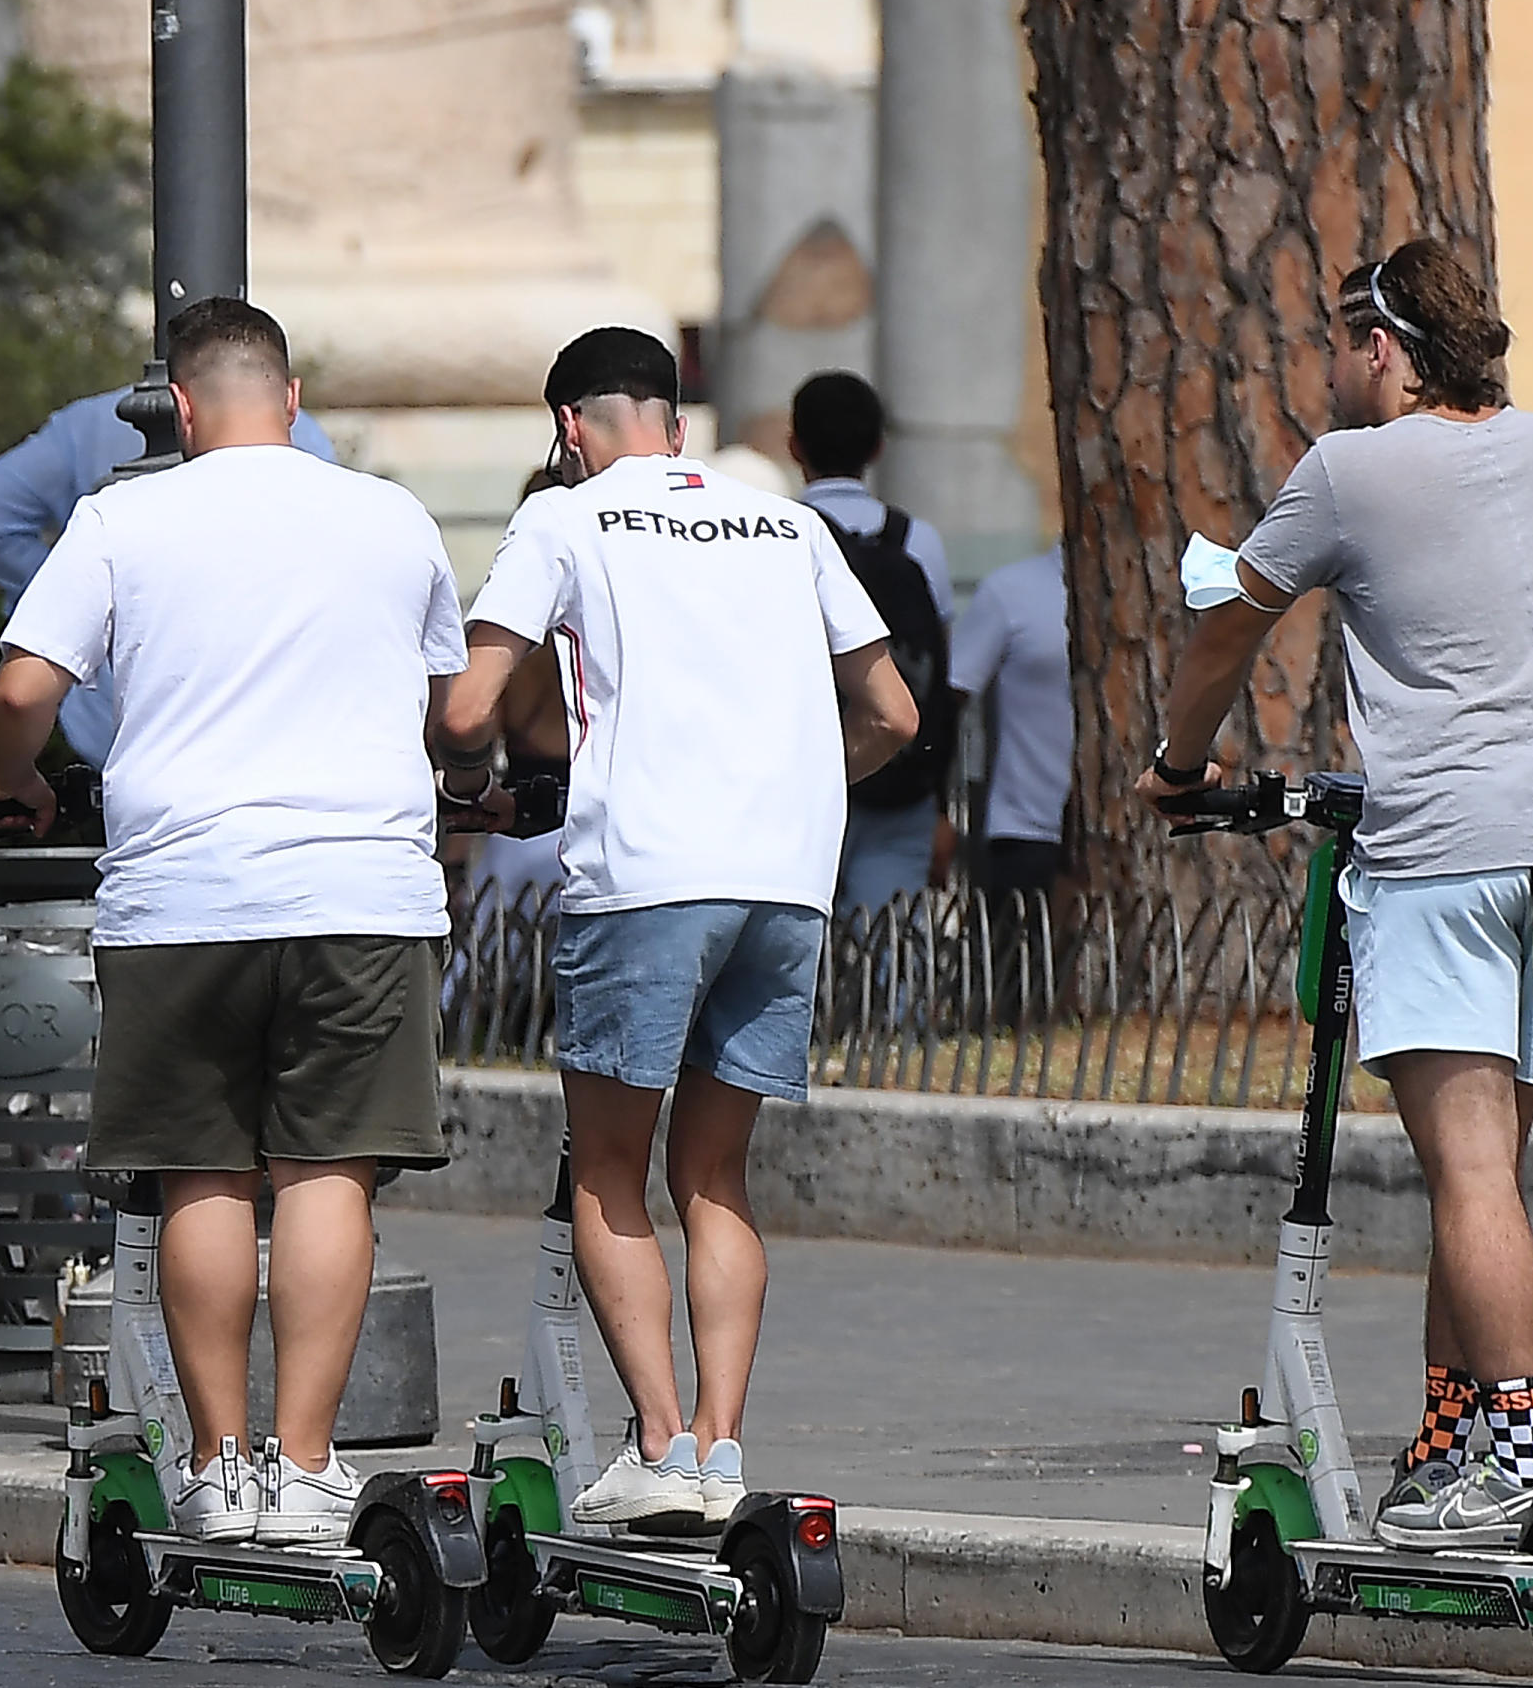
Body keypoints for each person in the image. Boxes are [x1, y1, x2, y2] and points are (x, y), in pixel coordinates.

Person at [1139, 239, 1533, 1550]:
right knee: (1486, 1170)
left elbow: (1228, 624)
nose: (1337, 370)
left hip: (1441, 864)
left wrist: (1178, 763)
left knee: (1469, 1169)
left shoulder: (1348, 474)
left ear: (1384, 347)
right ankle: (1448, 1430)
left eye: (1342, 346)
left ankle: (1523, 1452)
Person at [0, 298, 463, 1547]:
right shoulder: (390, 514)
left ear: (179, 409)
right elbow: (445, 698)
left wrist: (12, 777)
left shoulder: (123, 516)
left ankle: (215, 1463)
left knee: (202, 1173)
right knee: (327, 1172)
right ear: (293, 403)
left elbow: (22, 689)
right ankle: (306, 1467)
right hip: (360, 889)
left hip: (183, 892)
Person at [438, 327, 917, 1526]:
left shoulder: (565, 517)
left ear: (568, 431)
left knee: (608, 1169)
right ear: (677, 423)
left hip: (647, 875)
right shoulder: (786, 518)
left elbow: (469, 703)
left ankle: (654, 1442)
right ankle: (721, 1446)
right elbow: (895, 712)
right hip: (783, 879)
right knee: (714, 1172)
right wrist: (802, 784)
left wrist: (465, 784)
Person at [0, 381, 338, 763]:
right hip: (266, 721)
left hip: (118, 731)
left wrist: (72, 605)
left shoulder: (92, 423)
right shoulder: (298, 432)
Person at [788, 371, 961, 921]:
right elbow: (941, 670)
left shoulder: (777, 533)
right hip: (898, 777)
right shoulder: (917, 541)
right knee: (887, 946)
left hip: (799, 778)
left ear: (794, 445)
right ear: (879, 447)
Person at [948, 545, 1073, 1004]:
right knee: (1013, 989)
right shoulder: (1011, 590)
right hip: (1025, 827)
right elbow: (952, 696)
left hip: (1143, 833)